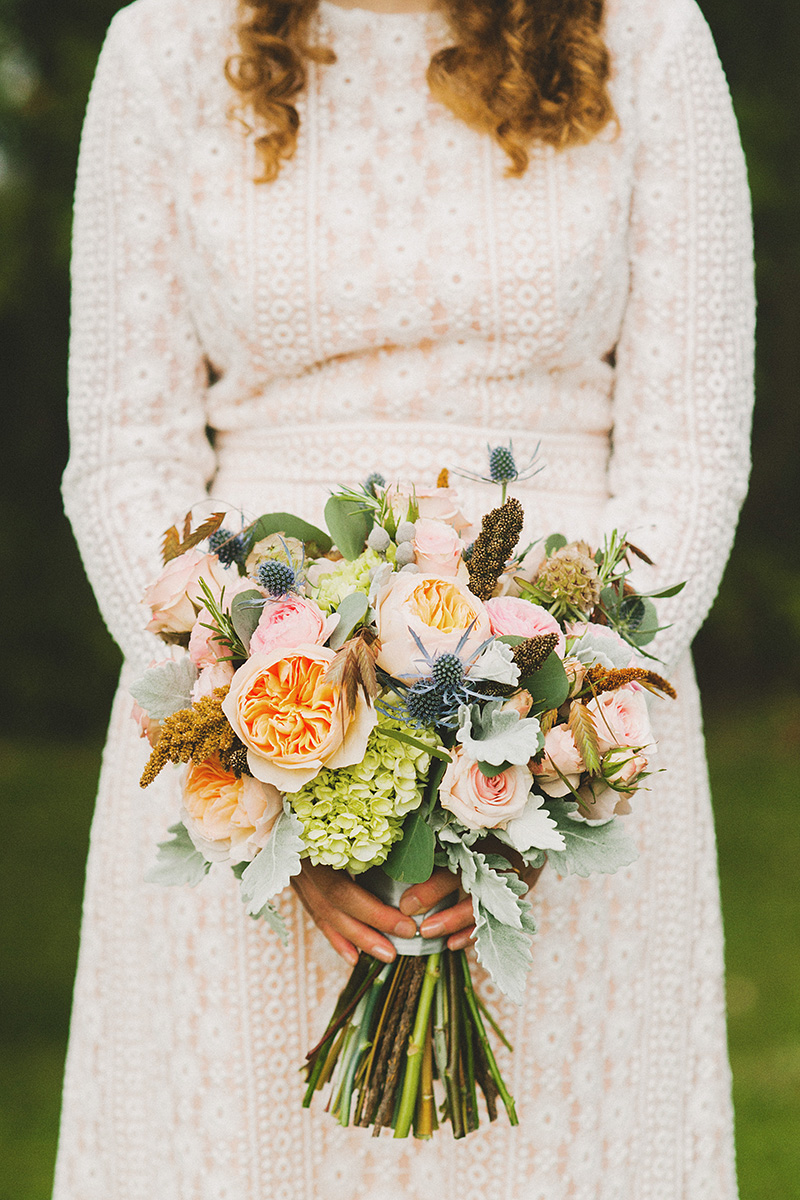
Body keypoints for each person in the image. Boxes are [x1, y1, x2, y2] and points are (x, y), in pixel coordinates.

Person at [55, 0, 754, 1196]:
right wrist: (257, 730)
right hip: (243, 725)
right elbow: (126, 455)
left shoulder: (647, 35)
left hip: (577, 742)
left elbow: (687, 449)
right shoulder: (164, 41)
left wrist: (554, 733)